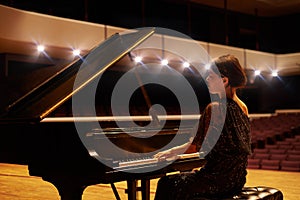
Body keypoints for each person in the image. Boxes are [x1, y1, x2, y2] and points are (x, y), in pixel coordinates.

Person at [153, 54, 252, 200]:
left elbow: (194, 147)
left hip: (216, 181)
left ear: (224, 80)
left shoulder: (215, 108)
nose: (207, 80)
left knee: (166, 183)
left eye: (211, 76)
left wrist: (171, 152)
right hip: (237, 181)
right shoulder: (243, 107)